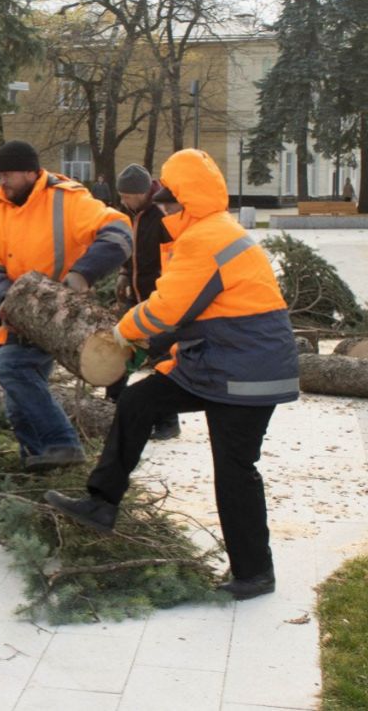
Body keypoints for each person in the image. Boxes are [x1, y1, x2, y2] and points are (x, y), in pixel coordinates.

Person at [45, 149, 299, 601]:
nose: (161, 206)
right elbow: (202, 317)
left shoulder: (207, 238)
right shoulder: (205, 232)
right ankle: (102, 503)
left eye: (167, 198)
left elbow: (167, 309)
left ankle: (256, 573)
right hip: (219, 361)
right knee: (138, 402)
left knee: (234, 470)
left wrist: (121, 334)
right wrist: (165, 361)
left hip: (247, 373)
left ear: (184, 199)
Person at [0, 141, 132, 471]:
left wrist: (82, 275)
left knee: (9, 368)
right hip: (15, 314)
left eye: (9, 175)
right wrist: (8, 299)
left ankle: (62, 443)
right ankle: (38, 464)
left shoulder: (68, 199)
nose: (2, 182)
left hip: (60, 313)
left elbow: (118, 232)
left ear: (32, 172)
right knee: (19, 394)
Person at [106, 163, 180, 441]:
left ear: (142, 193)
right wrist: (124, 272)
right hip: (135, 295)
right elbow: (130, 249)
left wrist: (166, 292)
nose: (123, 201)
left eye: (127, 196)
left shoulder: (163, 215)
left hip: (159, 296)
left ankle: (168, 420)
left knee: (161, 358)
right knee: (120, 347)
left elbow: (174, 258)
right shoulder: (130, 213)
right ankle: (111, 405)